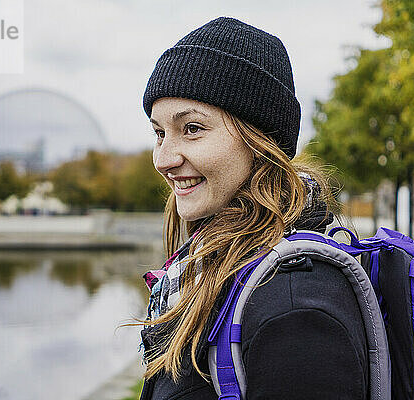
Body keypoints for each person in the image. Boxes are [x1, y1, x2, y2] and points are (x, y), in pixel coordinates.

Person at [139, 17, 368, 399]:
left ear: (259, 140)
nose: (163, 158)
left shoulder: (295, 310)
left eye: (192, 129)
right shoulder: (210, 269)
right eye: (159, 133)